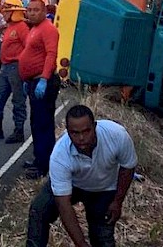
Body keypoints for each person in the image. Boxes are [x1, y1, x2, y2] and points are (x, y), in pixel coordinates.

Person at [27, 105, 137, 247]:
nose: (81, 138)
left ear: (95, 126)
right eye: (75, 133)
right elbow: (63, 204)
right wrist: (81, 244)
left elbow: (128, 167)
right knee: (39, 209)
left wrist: (117, 201)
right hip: (74, 185)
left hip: (104, 189)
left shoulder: (117, 135)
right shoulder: (60, 155)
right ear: (67, 131)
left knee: (102, 238)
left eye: (86, 131)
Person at [20, 0, 60, 179]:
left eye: (36, 10)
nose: (32, 13)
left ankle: (44, 165)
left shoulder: (48, 29)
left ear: (44, 11)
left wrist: (44, 78)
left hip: (43, 82)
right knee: (36, 123)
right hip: (33, 81)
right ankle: (39, 159)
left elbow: (51, 54)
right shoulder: (34, 29)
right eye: (29, 10)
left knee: (43, 124)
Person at [0, 0, 29, 144]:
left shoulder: (22, 28)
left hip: (16, 67)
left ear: (14, 12)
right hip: (5, 67)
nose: (3, 14)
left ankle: (19, 131)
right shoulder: (9, 28)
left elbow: (28, 48)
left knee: (18, 100)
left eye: (6, 11)